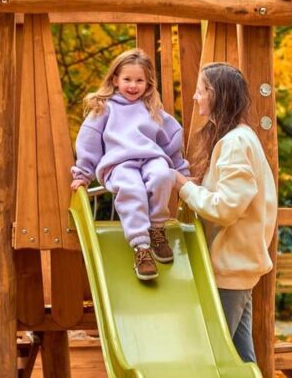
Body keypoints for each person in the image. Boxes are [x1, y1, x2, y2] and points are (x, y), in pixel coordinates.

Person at [174, 62, 277, 363]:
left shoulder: (234, 143)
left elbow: (226, 208)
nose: (195, 97)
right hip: (237, 265)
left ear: (217, 95)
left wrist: (184, 188)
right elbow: (231, 194)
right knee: (241, 359)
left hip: (229, 268)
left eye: (201, 90)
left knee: (213, 354)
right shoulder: (241, 138)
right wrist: (198, 186)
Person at [71, 49, 190, 281]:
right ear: (115, 80)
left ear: (148, 84)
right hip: (119, 164)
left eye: (139, 80)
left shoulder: (154, 110)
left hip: (152, 159)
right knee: (132, 189)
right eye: (127, 79)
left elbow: (173, 140)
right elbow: (89, 141)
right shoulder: (104, 108)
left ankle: (156, 229)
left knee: (163, 176)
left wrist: (182, 172)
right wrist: (83, 173)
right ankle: (141, 247)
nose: (133, 86)